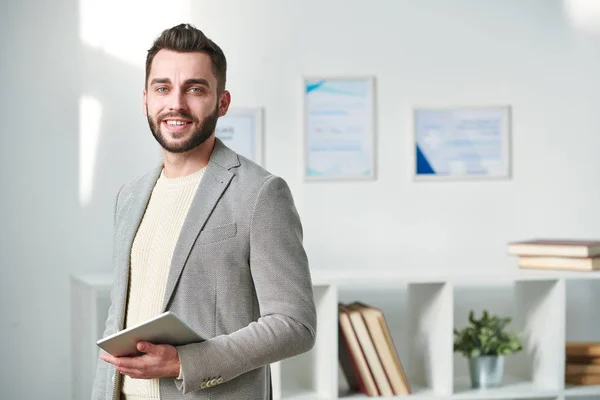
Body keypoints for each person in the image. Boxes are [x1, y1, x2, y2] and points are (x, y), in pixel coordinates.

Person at [91, 23, 317, 400]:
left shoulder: (261, 193)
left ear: (222, 102)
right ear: (145, 98)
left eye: (195, 89)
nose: (175, 103)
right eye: (162, 88)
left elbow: (295, 324)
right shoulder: (129, 196)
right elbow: (120, 314)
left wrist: (186, 363)